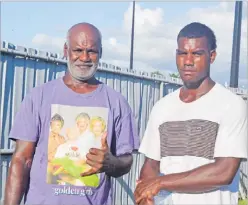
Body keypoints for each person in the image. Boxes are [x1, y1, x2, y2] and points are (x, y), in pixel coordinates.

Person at [4, 22, 139, 205]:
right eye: (78, 50)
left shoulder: (116, 102)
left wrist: (111, 163)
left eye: (91, 51)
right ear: (66, 50)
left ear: (101, 52)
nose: (84, 57)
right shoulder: (39, 97)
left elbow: (127, 160)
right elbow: (21, 160)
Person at [134, 22, 247, 205]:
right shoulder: (162, 107)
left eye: (196, 54)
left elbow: (224, 172)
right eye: (182, 53)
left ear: (212, 56)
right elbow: (151, 164)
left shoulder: (231, 105)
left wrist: (160, 182)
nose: (187, 61)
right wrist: (146, 195)